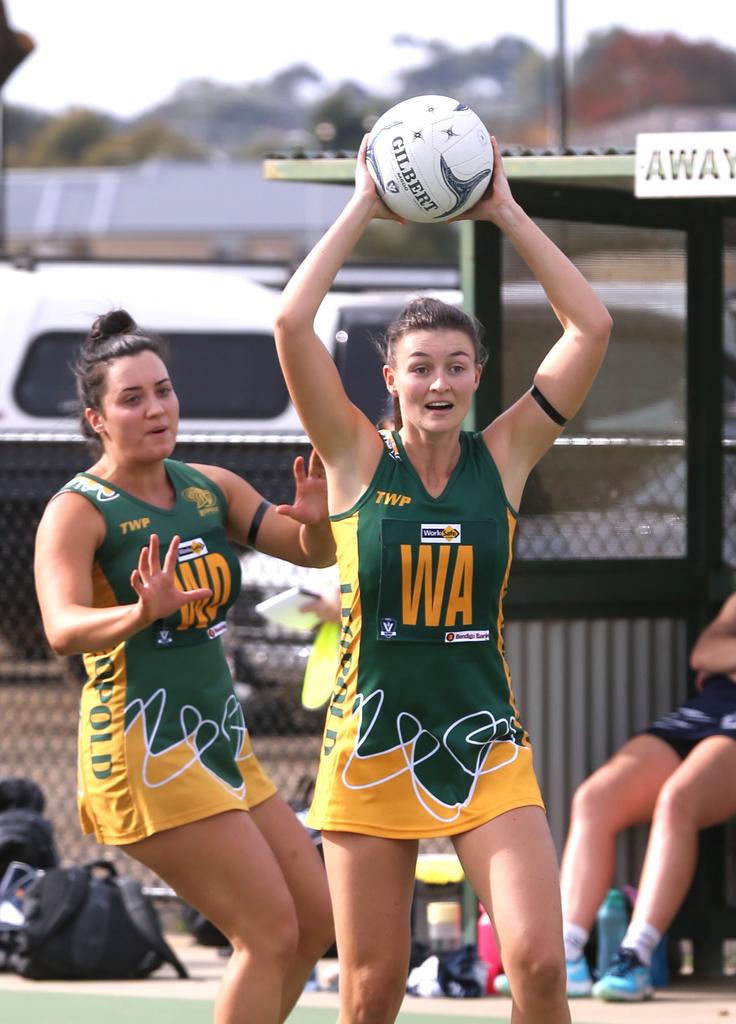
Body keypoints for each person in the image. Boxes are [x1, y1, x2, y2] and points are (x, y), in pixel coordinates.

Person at [273, 135, 612, 1024]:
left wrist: (504, 210)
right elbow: (289, 325)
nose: (439, 381)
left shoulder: (501, 456)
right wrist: (361, 205)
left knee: (539, 963)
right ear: (389, 379)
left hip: (484, 740)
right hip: (369, 745)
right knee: (371, 991)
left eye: (456, 366)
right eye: (419, 367)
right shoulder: (352, 458)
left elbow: (592, 327)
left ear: (476, 377)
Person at [33, 309, 336, 1024]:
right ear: (97, 419)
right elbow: (61, 628)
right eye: (131, 398)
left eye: (163, 391)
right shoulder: (78, 512)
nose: (155, 408)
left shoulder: (209, 488)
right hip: (144, 754)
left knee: (314, 921)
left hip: (220, 748)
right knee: (267, 934)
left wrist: (318, 518)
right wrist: (140, 613)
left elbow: (313, 553)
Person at [558, 592, 736, 1002]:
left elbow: (717, 656)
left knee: (677, 799)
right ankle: (567, 955)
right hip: (703, 711)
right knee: (594, 798)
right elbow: (705, 652)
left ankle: (634, 957)